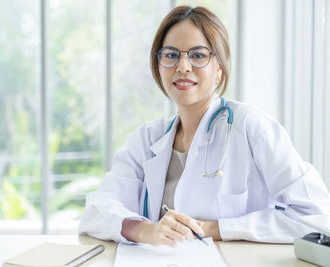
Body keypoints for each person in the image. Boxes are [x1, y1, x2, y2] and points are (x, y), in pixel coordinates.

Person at [79, 6, 330, 247]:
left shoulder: (251, 126)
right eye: (171, 55)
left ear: (219, 67)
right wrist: (146, 230)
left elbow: (317, 215)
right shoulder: (146, 139)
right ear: (158, 65)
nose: (183, 67)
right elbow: (97, 211)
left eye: (198, 55)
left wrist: (214, 228)